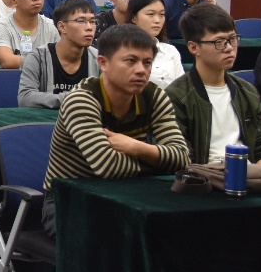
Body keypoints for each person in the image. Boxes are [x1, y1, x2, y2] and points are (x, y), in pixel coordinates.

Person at [41, 24, 190, 238]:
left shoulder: (154, 96)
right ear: (103, 63)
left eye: (147, 62)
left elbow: (182, 158)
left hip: (132, 195)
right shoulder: (82, 100)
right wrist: (159, 163)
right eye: (130, 61)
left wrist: (137, 148)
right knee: (116, 241)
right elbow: (108, 167)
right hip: (71, 201)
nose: (141, 70)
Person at [166, 4, 261, 167]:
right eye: (219, 42)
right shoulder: (176, 96)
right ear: (193, 47)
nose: (229, 48)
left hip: (248, 174)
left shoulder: (248, 92)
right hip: (203, 175)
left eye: (232, 39)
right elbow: (183, 159)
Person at [18, 0, 99, 109]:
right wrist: (75, 97)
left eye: (92, 21)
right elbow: (25, 98)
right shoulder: (38, 57)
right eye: (81, 21)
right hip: (47, 120)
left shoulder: (98, 59)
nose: (89, 27)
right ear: (62, 27)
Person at [121, 0, 184, 89]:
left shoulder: (170, 51)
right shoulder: (121, 49)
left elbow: (181, 88)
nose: (157, 20)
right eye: (150, 14)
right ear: (133, 17)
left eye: (162, 15)